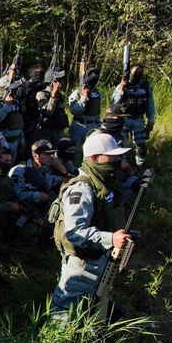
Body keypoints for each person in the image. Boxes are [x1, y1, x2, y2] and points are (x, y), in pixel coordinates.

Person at [50, 132, 139, 318]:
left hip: (99, 258)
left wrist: (134, 187)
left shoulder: (103, 183)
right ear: (95, 158)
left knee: (95, 304)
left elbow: (111, 205)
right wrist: (111, 238)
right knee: (64, 314)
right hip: (82, 264)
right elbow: (75, 232)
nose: (117, 160)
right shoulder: (82, 189)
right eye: (112, 157)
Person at [111, 63, 155, 167]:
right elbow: (113, 102)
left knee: (141, 146)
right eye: (136, 71)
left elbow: (150, 104)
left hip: (138, 120)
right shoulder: (123, 85)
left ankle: (140, 166)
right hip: (124, 120)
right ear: (130, 72)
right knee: (122, 146)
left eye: (140, 71)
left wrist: (151, 120)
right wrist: (121, 88)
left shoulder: (145, 85)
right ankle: (124, 167)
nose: (138, 73)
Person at [8, 140, 68, 212]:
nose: (51, 157)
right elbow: (16, 194)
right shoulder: (20, 171)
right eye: (47, 154)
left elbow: (50, 181)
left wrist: (67, 179)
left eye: (52, 153)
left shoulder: (43, 169)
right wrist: (38, 195)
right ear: (35, 156)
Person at [68, 68, 103, 163]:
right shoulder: (76, 93)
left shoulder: (97, 93)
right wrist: (84, 97)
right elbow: (74, 110)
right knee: (76, 151)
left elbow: (97, 110)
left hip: (94, 125)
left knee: (94, 151)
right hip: (79, 125)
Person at [34, 68, 69, 145]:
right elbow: (48, 111)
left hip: (59, 132)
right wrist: (53, 96)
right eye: (58, 81)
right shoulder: (42, 94)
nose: (60, 83)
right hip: (46, 132)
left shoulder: (60, 95)